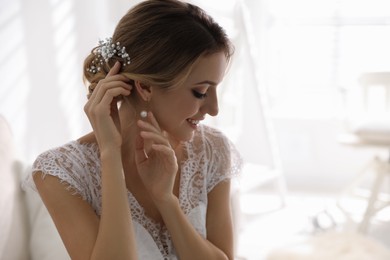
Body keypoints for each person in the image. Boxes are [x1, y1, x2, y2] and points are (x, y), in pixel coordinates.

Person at [24, 0, 241, 259]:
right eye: (201, 92)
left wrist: (166, 201)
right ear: (145, 87)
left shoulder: (212, 150)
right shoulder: (59, 173)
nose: (214, 109)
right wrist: (110, 154)